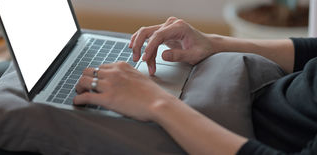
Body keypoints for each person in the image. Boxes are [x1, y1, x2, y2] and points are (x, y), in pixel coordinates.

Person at [74, 16, 317, 154]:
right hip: (248, 89)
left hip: (232, 138)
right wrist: (213, 43)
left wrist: (156, 102)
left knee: (46, 119)